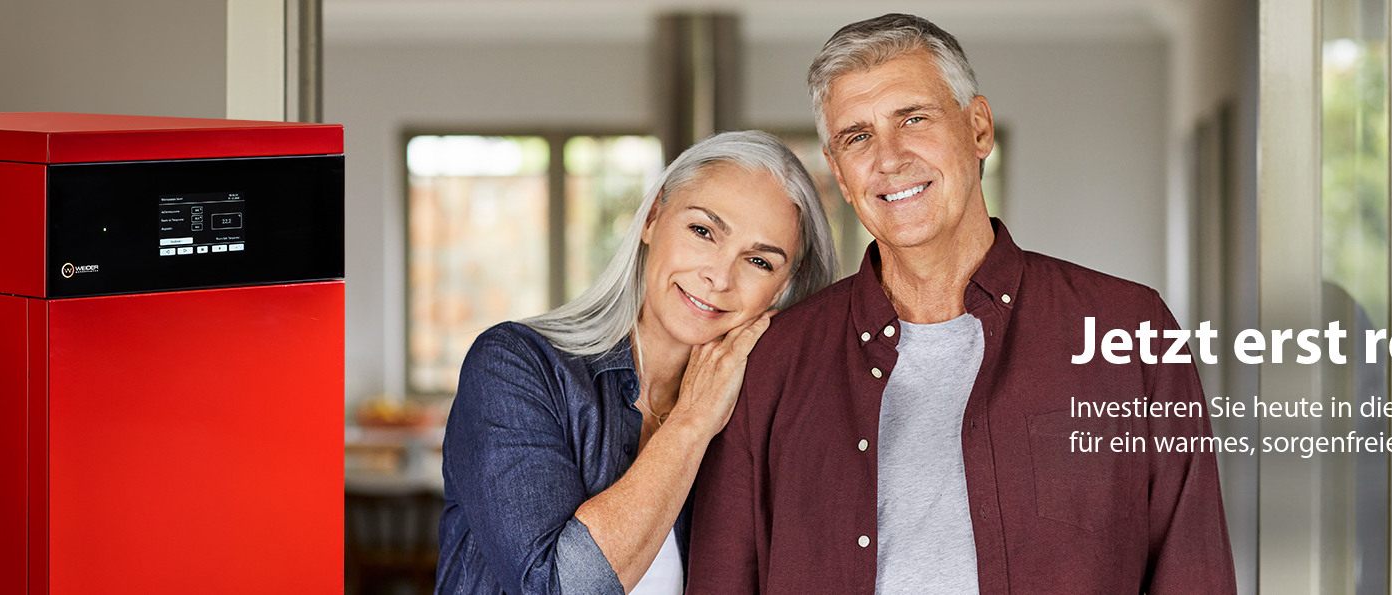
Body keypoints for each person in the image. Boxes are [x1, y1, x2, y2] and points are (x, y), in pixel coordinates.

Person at [688, 14, 1236, 594]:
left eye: (914, 119)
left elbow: (1193, 570)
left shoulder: (1129, 331)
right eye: (858, 137)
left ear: (978, 129)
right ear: (842, 177)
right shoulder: (773, 363)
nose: (890, 158)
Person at [437, 130, 840, 595]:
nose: (719, 276)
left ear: (783, 291)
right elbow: (555, 586)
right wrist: (691, 422)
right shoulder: (515, 366)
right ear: (652, 217)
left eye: (759, 262)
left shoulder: (755, 424)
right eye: (703, 231)